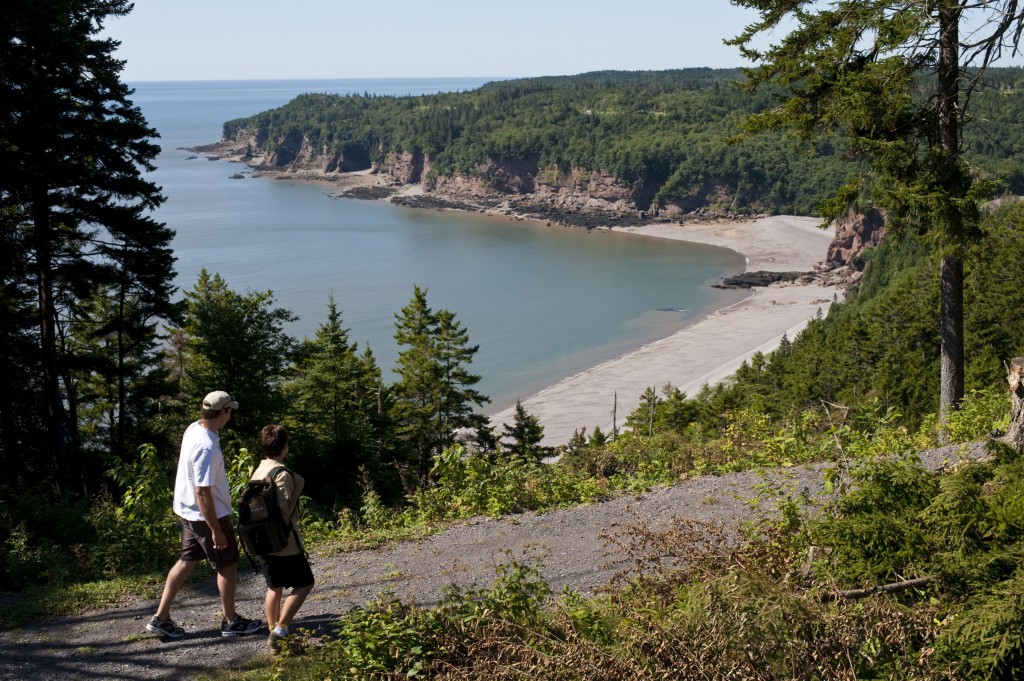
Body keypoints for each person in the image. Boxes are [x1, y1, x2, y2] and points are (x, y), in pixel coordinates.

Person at [146, 391, 262, 639]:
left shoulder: (194, 429)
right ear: (223, 412)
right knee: (228, 565)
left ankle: (161, 617)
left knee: (187, 560)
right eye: (230, 410)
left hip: (188, 512)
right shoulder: (206, 445)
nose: (231, 415)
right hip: (208, 516)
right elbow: (202, 493)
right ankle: (231, 622)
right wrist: (216, 531)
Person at [253, 424, 315, 653]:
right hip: (284, 541)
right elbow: (285, 513)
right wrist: (298, 487)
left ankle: (275, 640)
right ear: (285, 447)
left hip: (262, 540)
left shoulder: (259, 470)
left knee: (274, 587)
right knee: (305, 583)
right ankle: (280, 630)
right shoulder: (282, 474)